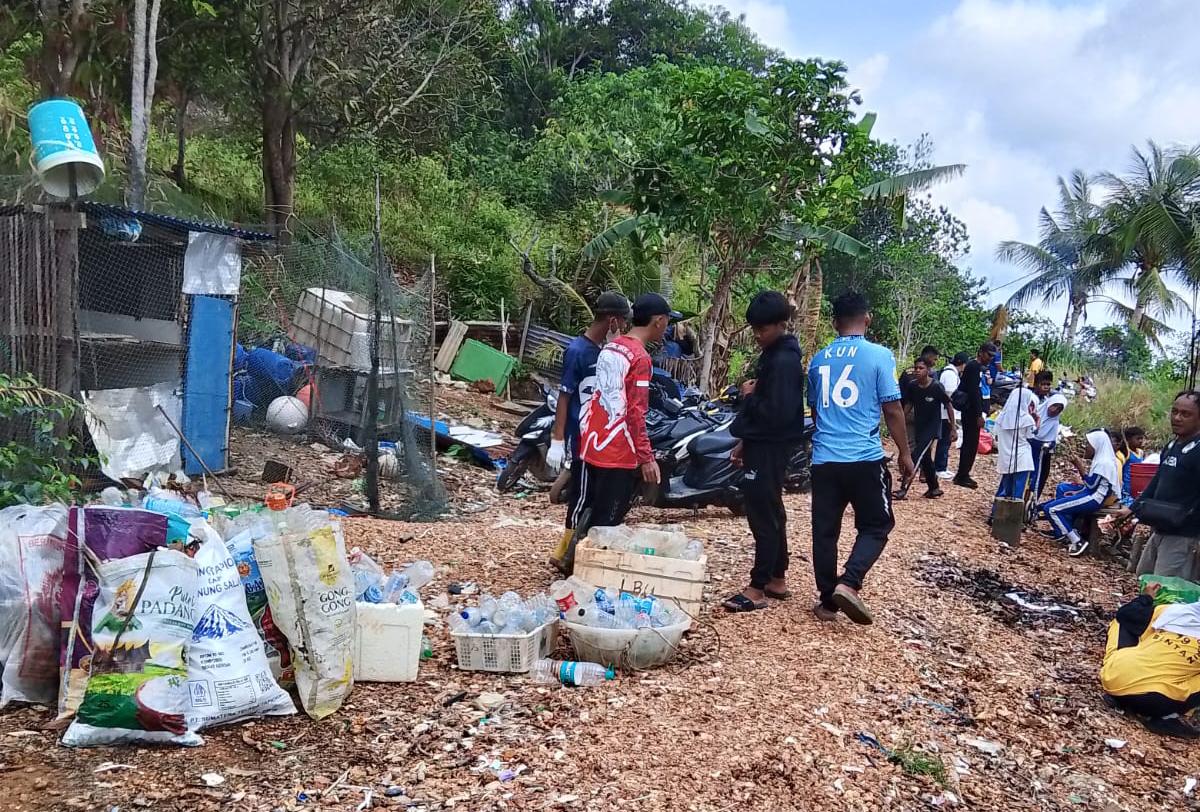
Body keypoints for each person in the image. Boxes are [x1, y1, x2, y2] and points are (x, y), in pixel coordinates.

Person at [807, 291, 914, 625]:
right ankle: (850, 582)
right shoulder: (879, 355)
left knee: (825, 531)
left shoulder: (819, 360)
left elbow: (816, 410)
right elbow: (892, 409)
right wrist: (905, 453)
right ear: (867, 318)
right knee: (877, 524)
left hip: (824, 459)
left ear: (834, 323)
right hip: (864, 458)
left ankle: (827, 601)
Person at [567, 293, 672, 572]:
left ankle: (573, 562)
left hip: (593, 442)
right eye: (667, 322)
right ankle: (590, 573)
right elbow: (635, 413)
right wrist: (646, 457)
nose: (666, 327)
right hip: (618, 451)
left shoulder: (610, 347)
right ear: (659, 321)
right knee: (608, 521)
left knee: (590, 508)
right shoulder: (640, 358)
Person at [722, 291, 807, 612]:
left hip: (771, 446)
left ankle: (757, 587)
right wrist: (745, 440)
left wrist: (748, 397)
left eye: (764, 329)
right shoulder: (775, 354)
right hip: (763, 443)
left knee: (762, 514)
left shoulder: (783, 361)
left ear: (781, 324)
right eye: (755, 329)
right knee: (771, 508)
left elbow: (777, 413)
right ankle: (776, 577)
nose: (758, 335)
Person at [546, 292, 632, 570]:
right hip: (582, 438)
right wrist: (558, 438)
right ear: (613, 321)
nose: (625, 328)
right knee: (581, 496)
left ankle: (584, 551)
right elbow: (565, 395)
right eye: (623, 322)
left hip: (600, 439)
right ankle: (565, 551)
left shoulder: (605, 352)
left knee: (594, 495)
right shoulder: (578, 351)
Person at [1100, 581, 1200, 738]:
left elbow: (1126, 614)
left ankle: (1121, 694)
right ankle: (1166, 718)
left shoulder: (1170, 612)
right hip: (1154, 701)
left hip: (1112, 678)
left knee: (1122, 622)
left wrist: (1146, 597)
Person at [1121, 391, 1200, 581]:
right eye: (1174, 411)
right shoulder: (1172, 445)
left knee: (1166, 588)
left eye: (1186, 414)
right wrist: (1132, 509)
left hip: (1183, 535)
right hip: (1160, 528)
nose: (1177, 418)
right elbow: (1157, 481)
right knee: (1145, 578)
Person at [1039, 428, 1121, 557]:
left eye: (1089, 444)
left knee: (1051, 509)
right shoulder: (1103, 460)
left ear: (1097, 445)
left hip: (1093, 499)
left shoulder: (1104, 463)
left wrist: (1080, 467)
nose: (1086, 447)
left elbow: (1092, 485)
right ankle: (1065, 533)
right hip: (1090, 495)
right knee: (1055, 501)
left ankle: (1076, 540)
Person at [898, 357, 953, 500]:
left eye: (921, 368)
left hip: (932, 428)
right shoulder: (913, 386)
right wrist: (900, 420)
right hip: (919, 426)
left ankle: (903, 488)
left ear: (928, 370)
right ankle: (934, 488)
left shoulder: (936, 386)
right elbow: (909, 404)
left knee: (916, 456)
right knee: (926, 458)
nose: (917, 371)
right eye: (916, 368)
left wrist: (953, 427)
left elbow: (948, 405)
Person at [989, 381, 1038, 525]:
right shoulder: (1027, 419)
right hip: (1022, 458)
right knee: (1018, 491)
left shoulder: (1001, 418)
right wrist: (1037, 421)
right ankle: (1011, 521)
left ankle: (995, 515)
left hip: (1006, 457)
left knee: (1004, 487)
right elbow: (1031, 437)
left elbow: (996, 435)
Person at [953, 342, 997, 489]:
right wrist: (978, 414)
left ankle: (964, 473)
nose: (990, 358)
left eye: (992, 356)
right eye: (989, 355)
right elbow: (973, 392)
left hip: (973, 411)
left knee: (971, 443)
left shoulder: (978, 368)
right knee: (970, 444)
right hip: (970, 411)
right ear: (981, 352)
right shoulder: (973, 367)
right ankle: (962, 475)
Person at [1030, 372, 1067, 501]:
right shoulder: (1035, 404)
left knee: (1042, 475)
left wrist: (1049, 445)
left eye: (1048, 385)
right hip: (1032, 447)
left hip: (1044, 450)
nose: (1054, 410)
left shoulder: (1053, 421)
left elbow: (1052, 438)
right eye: (1043, 384)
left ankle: (1033, 502)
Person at [935, 352, 967, 479]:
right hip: (946, 414)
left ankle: (942, 466)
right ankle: (940, 467)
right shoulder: (950, 374)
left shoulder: (951, 373)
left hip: (947, 413)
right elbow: (949, 396)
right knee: (945, 441)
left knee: (946, 441)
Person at [1118, 426, 1147, 507]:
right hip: (1126, 487)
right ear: (1128, 439)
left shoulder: (1141, 452)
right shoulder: (1126, 453)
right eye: (1138, 439)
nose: (1141, 441)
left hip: (1137, 485)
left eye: (1142, 438)